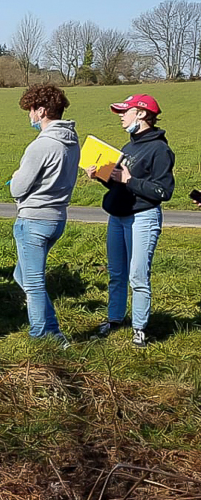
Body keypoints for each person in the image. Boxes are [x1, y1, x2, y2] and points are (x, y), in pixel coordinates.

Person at [84, 94, 175, 348]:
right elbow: (119, 180)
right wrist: (100, 175)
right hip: (118, 216)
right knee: (116, 273)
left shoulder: (160, 149)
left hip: (143, 217)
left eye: (126, 111)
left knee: (138, 276)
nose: (121, 116)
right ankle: (114, 320)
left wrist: (128, 181)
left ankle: (139, 328)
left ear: (143, 114)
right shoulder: (128, 147)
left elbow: (163, 191)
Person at [10, 85, 80, 348]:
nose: (29, 116)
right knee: (22, 275)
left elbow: (18, 187)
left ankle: (42, 334)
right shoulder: (71, 141)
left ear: (41, 111)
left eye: (31, 110)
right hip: (57, 217)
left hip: (34, 219)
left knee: (34, 282)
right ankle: (51, 328)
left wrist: (16, 178)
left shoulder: (41, 145)